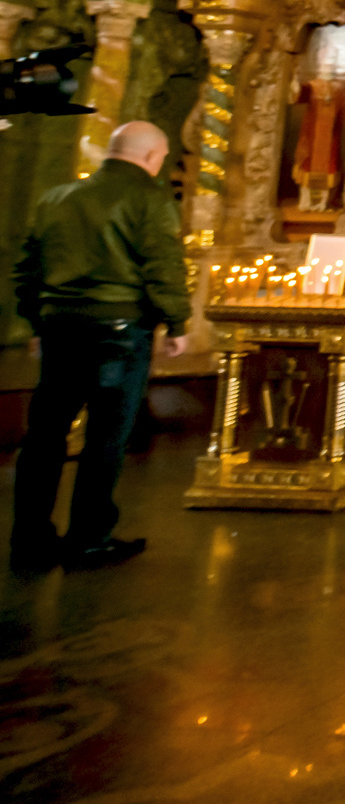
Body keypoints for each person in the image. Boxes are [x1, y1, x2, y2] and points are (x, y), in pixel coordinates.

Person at [11, 121, 191, 573]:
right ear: (152, 157)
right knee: (105, 439)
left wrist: (37, 320)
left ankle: (29, 539)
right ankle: (89, 539)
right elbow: (162, 264)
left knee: (45, 437)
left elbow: (28, 267)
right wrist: (176, 322)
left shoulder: (57, 197)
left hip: (59, 327)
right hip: (118, 331)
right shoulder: (149, 199)